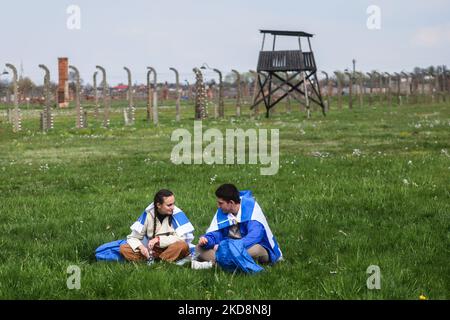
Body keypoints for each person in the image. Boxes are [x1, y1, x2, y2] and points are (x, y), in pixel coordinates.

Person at [191, 184, 282, 270]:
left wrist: (229, 248)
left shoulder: (251, 209)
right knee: (199, 248)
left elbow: (254, 236)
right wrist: (207, 240)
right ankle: (232, 265)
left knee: (256, 249)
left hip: (250, 247)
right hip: (227, 248)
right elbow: (217, 233)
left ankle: (214, 264)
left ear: (231, 202)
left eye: (220, 203)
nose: (218, 206)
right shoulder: (222, 212)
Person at [120, 189, 194, 263]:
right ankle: (154, 258)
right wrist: (141, 248)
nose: (173, 207)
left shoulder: (176, 214)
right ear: (158, 205)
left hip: (171, 248)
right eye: (169, 205)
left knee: (182, 246)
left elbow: (181, 238)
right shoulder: (148, 215)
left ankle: (159, 260)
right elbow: (133, 237)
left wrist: (158, 239)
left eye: (173, 204)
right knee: (124, 248)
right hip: (152, 250)